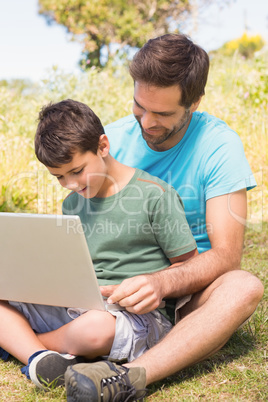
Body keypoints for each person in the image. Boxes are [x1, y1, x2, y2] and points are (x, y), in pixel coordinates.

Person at [63, 34, 264, 401]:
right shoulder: (114, 139)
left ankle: (126, 379)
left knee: (244, 286)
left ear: (194, 102)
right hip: (116, 288)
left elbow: (226, 256)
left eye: (164, 114)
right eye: (140, 106)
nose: (148, 122)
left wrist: (160, 283)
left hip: (190, 289)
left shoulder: (219, 147)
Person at [0, 99, 198, 390]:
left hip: (134, 316)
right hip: (80, 305)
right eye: (59, 177)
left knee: (95, 329)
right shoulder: (72, 203)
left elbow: (190, 266)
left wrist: (153, 285)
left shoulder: (155, 195)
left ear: (102, 146)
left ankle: (27, 346)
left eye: (77, 171)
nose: (70, 184)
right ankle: (42, 357)